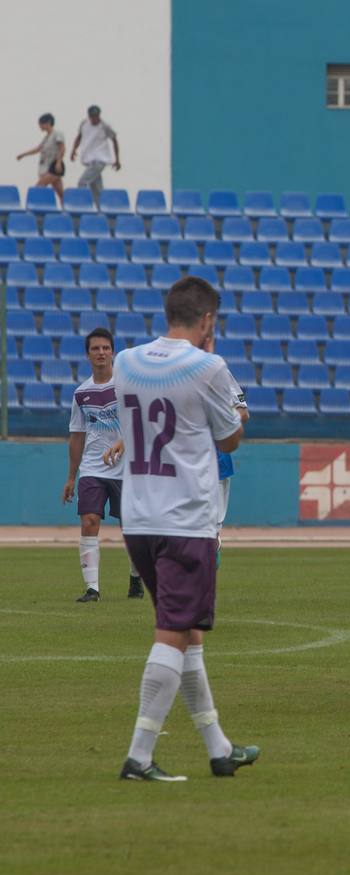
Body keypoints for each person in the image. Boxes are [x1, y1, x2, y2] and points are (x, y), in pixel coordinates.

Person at [110, 276, 257, 781]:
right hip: (185, 520)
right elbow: (230, 439)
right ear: (208, 320)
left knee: (187, 630)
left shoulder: (126, 361)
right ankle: (139, 755)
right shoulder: (209, 366)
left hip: (138, 518)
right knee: (173, 633)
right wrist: (239, 409)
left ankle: (218, 748)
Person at [62, 327, 142, 602]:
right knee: (89, 520)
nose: (101, 353)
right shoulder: (81, 393)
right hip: (93, 468)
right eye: (95, 348)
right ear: (88, 355)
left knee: (130, 527)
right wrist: (72, 477)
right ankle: (92, 588)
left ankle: (135, 577)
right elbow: (77, 437)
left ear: (113, 352)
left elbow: (140, 422)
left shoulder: (126, 385)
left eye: (106, 348)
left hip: (127, 467)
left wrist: (123, 442)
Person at [214, 374, 249, 567]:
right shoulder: (172, 374)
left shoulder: (220, 373)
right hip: (182, 463)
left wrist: (221, 420)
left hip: (217, 462)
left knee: (211, 530)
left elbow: (244, 412)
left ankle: (213, 546)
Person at [69, 105, 120, 202]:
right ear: (89, 116)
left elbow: (114, 141)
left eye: (96, 116)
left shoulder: (105, 126)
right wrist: (73, 150)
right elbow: (79, 137)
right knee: (97, 188)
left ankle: (82, 205)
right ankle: (101, 210)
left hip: (100, 160)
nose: (94, 119)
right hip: (89, 160)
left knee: (82, 182)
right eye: (92, 117)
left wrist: (117, 160)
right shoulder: (84, 123)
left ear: (99, 116)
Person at [16, 113, 65, 201]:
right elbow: (37, 149)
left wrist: (58, 162)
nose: (40, 126)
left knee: (39, 187)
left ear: (48, 122)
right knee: (61, 194)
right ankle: (66, 211)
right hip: (46, 168)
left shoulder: (57, 134)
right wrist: (23, 154)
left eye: (41, 124)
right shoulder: (46, 137)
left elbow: (62, 147)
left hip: (54, 167)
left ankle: (35, 211)